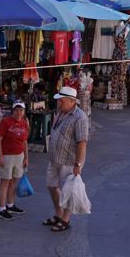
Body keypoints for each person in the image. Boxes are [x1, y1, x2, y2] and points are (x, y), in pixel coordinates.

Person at [44, 85, 88, 233]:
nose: (59, 103)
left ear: (72, 101)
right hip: (55, 158)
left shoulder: (79, 117)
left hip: (69, 161)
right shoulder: (61, 112)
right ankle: (59, 213)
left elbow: (82, 142)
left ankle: (65, 219)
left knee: (68, 191)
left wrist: (78, 164)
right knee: (51, 186)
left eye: (62, 101)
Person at [0, 100, 29, 220]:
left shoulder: (24, 123)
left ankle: (10, 204)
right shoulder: (5, 122)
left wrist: (26, 157)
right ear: (13, 111)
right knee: (5, 182)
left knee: (14, 182)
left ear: (24, 111)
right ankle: (2, 208)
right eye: (17, 110)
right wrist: (0, 156)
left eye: (21, 110)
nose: (19, 112)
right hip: (7, 156)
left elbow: (25, 141)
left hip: (19, 155)